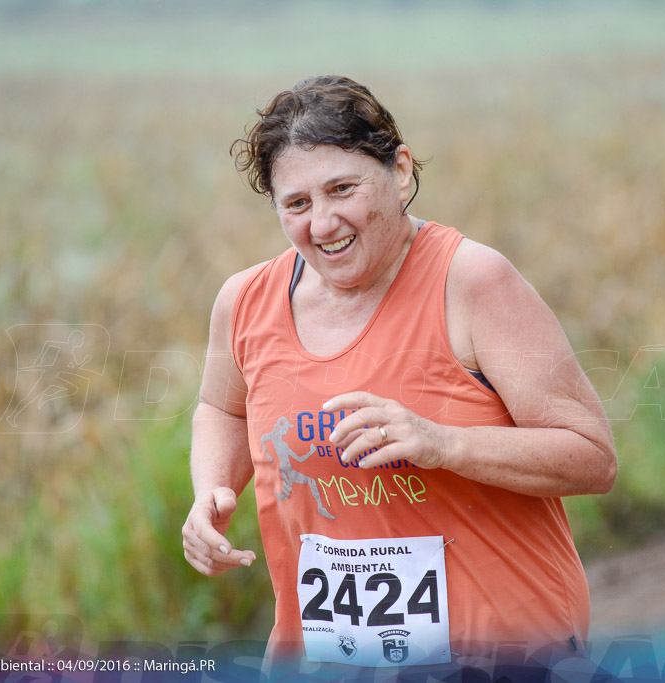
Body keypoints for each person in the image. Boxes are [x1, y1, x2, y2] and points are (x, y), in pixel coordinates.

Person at [181, 75, 616, 674]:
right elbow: (221, 408)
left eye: (342, 189)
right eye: (298, 204)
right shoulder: (245, 301)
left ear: (401, 171)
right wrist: (210, 491)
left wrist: (445, 442)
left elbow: (593, 456)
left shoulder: (473, 283)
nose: (324, 223)